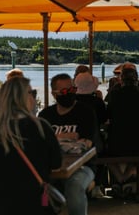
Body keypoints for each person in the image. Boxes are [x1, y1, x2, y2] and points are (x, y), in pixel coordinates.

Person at [0, 76, 62, 214]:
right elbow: (56, 163)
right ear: (22, 98)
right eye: (31, 93)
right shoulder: (40, 128)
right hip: (31, 206)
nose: (33, 97)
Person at [39, 73, 99, 215]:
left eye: (73, 90)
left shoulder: (86, 112)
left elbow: (87, 143)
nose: (70, 94)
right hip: (51, 168)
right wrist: (70, 137)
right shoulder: (45, 115)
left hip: (83, 166)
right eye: (65, 92)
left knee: (74, 186)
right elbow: (40, 143)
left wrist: (54, 138)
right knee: (40, 187)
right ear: (55, 94)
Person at [105, 62, 139, 187]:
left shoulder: (115, 94)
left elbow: (108, 115)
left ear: (121, 79)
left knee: (102, 153)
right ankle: (127, 177)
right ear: (136, 79)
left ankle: (120, 179)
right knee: (138, 149)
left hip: (116, 145)